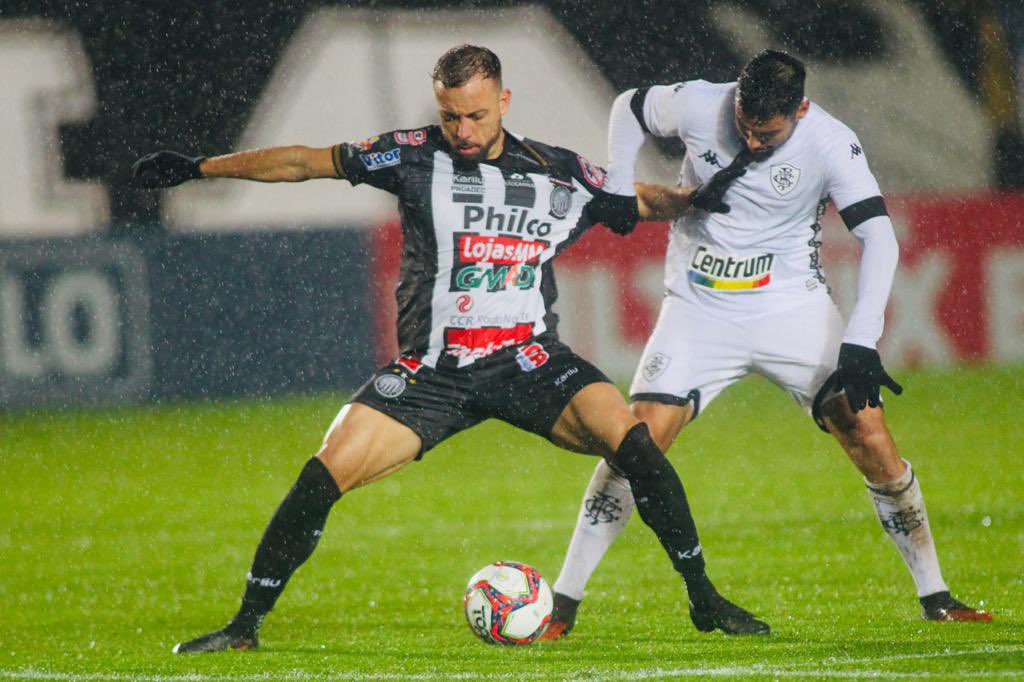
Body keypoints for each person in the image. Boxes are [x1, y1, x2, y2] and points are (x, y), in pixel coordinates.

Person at [133, 45, 769, 653]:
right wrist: (199, 168)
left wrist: (691, 200)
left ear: (504, 101)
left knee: (637, 446)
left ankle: (704, 599)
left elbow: (631, 198)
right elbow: (305, 160)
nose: (462, 129)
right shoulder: (410, 157)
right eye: (450, 115)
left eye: (476, 114)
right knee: (321, 477)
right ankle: (244, 625)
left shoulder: (558, 171)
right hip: (432, 372)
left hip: (527, 360)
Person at [541, 49, 991, 640]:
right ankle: (562, 607)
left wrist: (861, 339)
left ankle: (936, 595)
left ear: (800, 110)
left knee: (870, 434)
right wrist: (621, 184)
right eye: (746, 126)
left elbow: (878, 234)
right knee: (633, 443)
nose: (752, 140)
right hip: (698, 310)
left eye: (768, 132)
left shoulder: (831, 142)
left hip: (792, 310)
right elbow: (630, 107)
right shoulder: (702, 103)